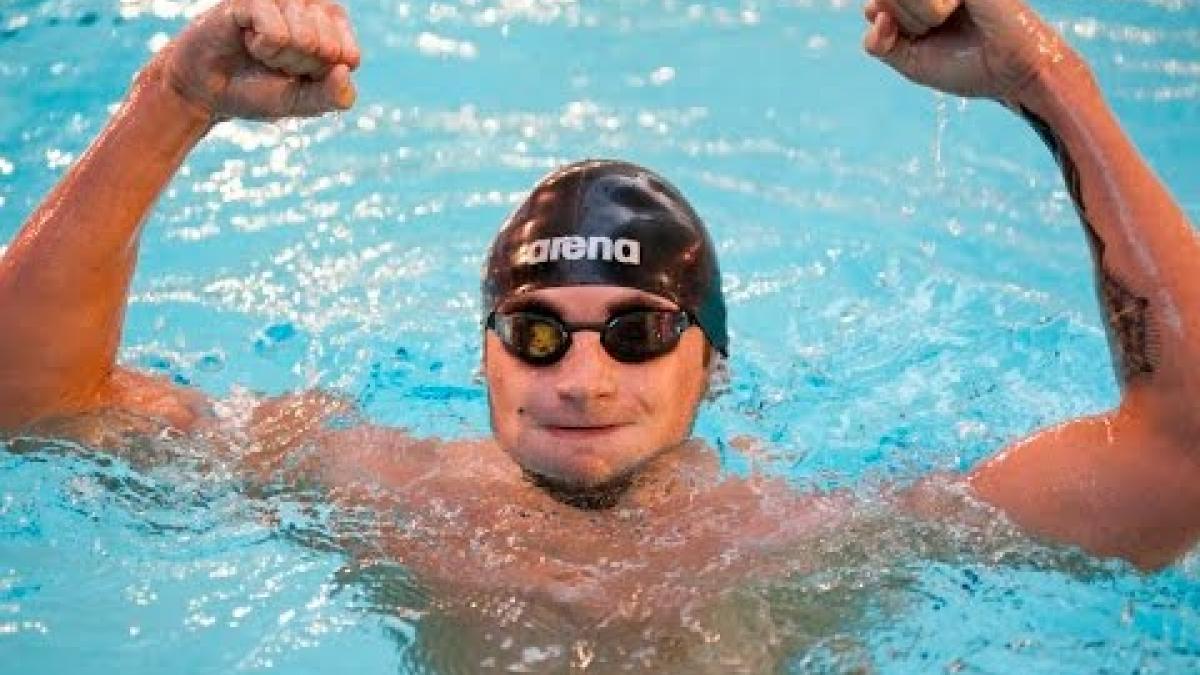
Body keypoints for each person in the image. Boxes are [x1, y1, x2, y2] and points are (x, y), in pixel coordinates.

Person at [1, 0, 1197, 639]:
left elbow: (1182, 456)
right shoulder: (364, 484)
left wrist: (1053, 83)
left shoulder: (826, 539)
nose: (580, 376)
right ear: (480, 351)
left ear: (712, 363)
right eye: (534, 330)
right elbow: (27, 401)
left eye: (636, 331)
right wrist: (172, 98)